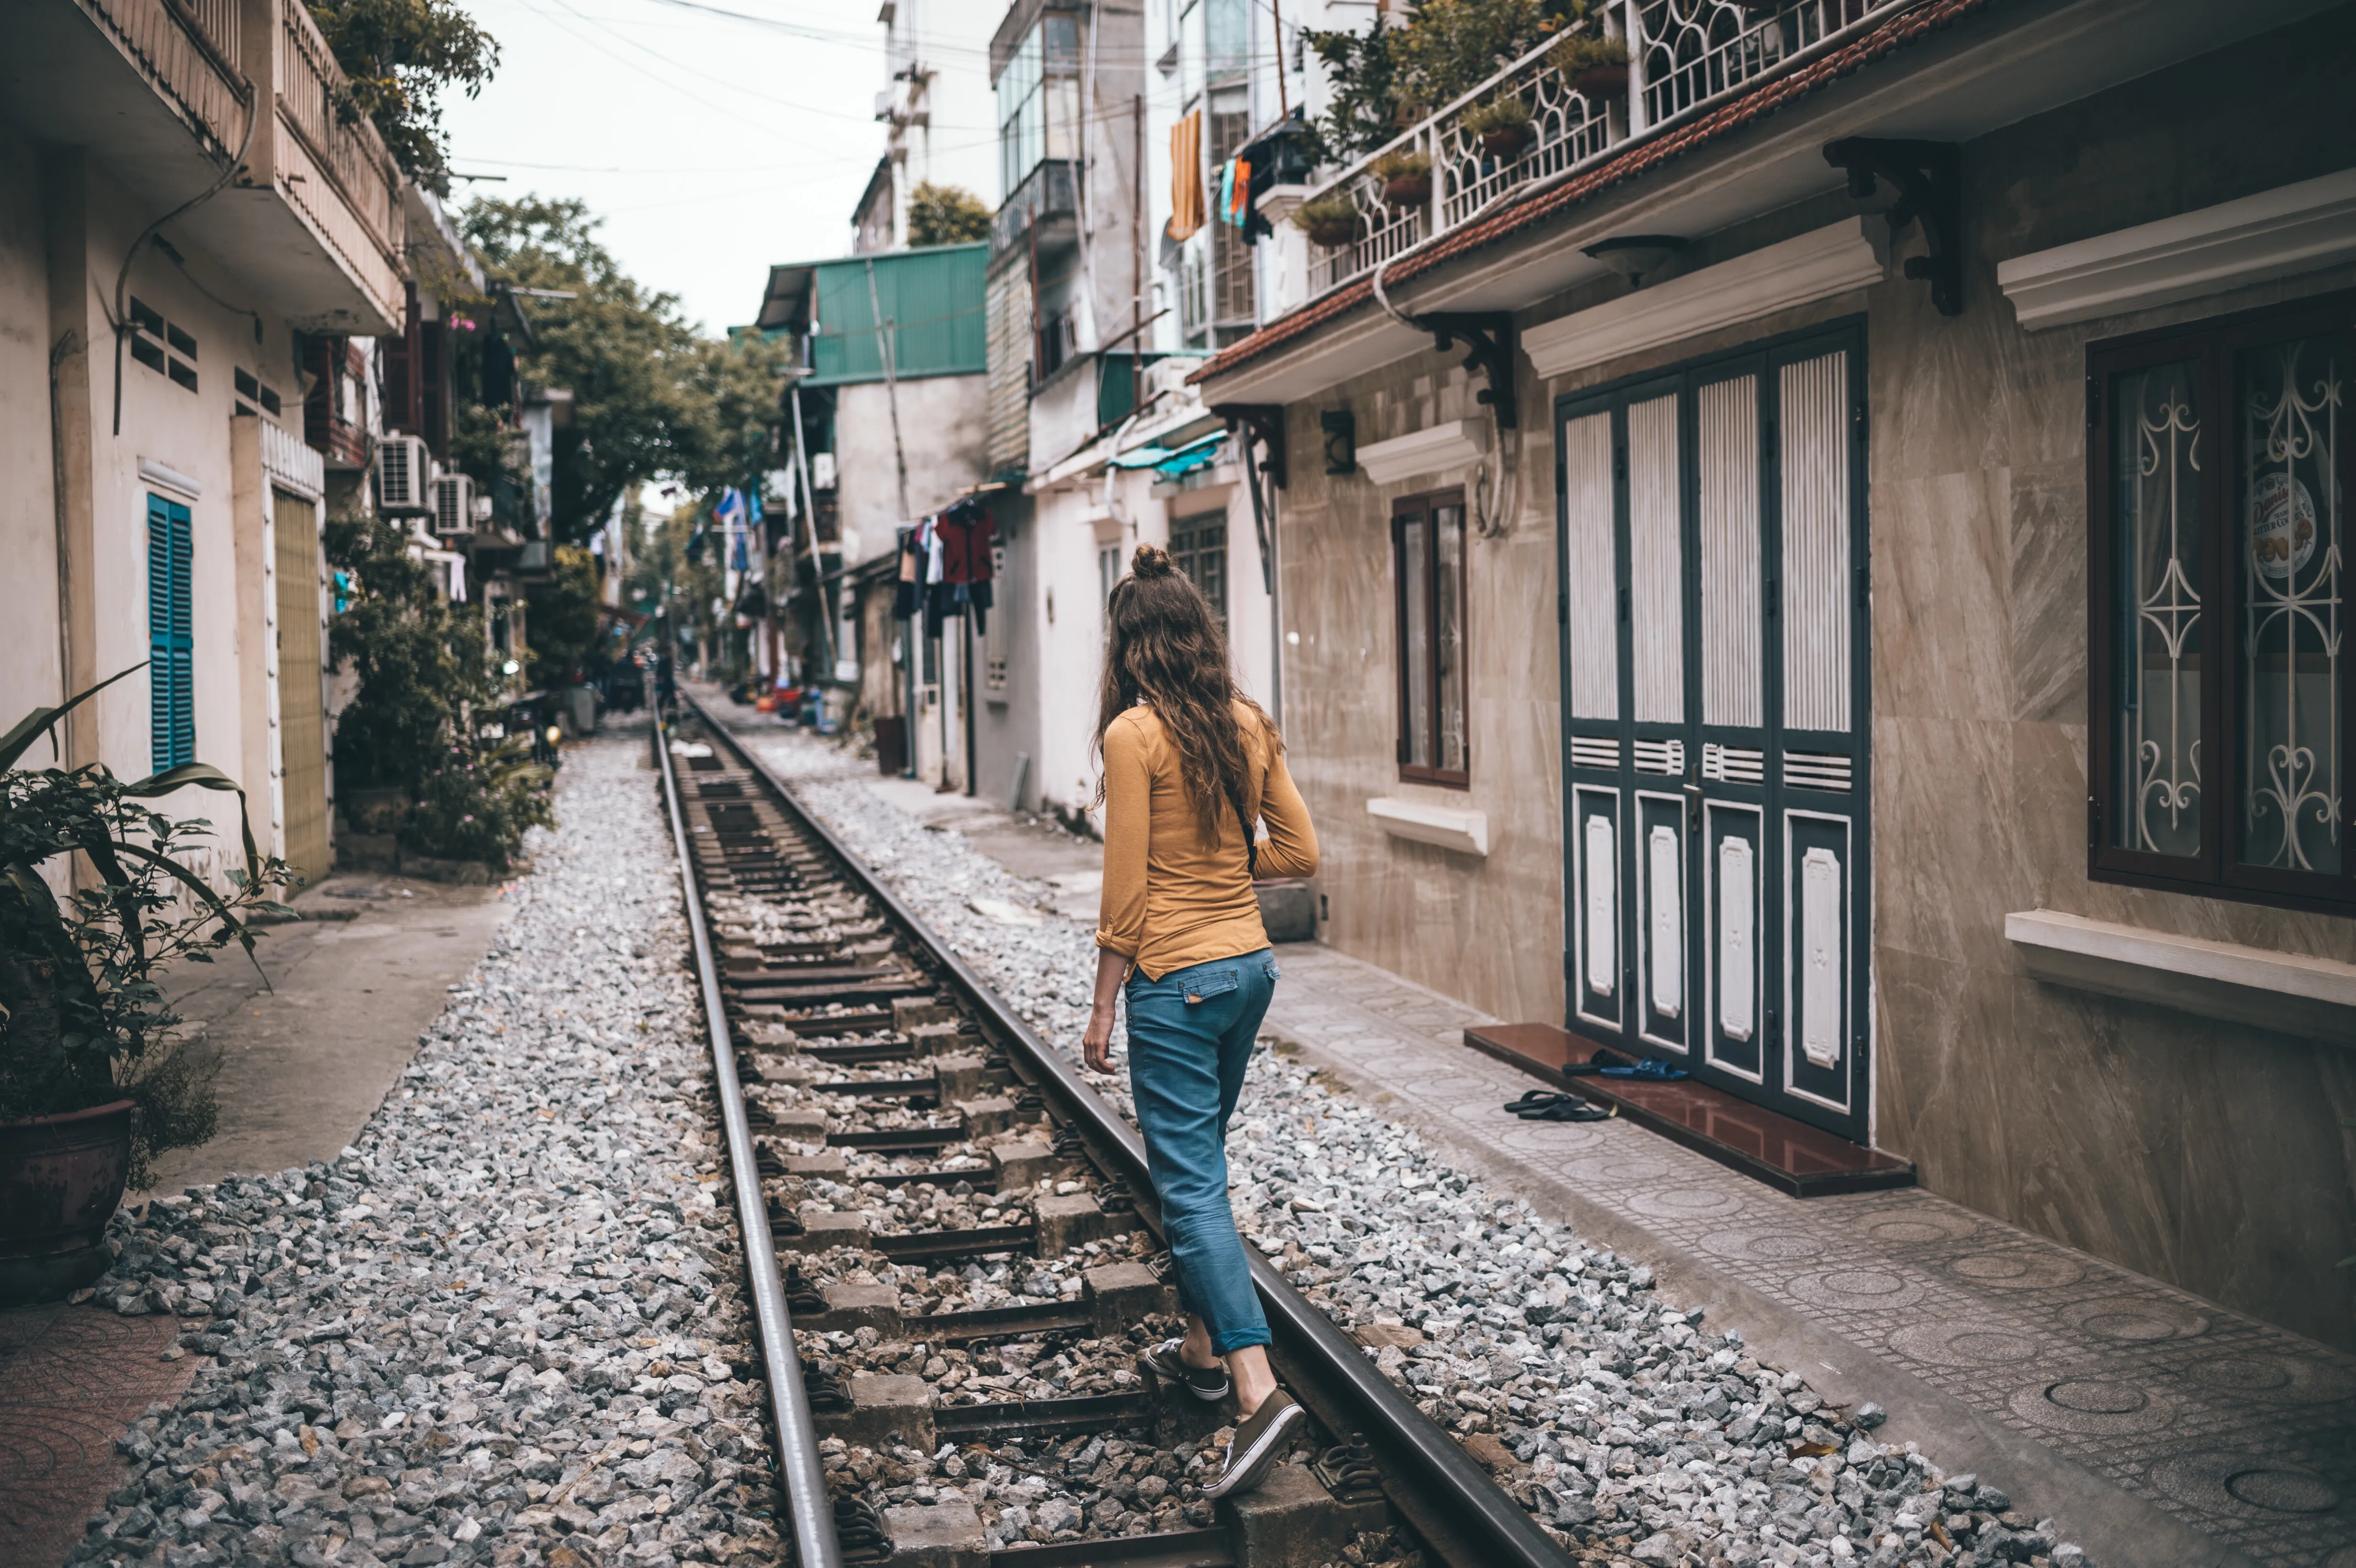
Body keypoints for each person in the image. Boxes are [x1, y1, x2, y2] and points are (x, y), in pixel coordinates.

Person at [1080, 544, 1319, 1499]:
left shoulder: (1134, 735)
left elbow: (1128, 892)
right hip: (1247, 971)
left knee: (1188, 1188)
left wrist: (1102, 1002)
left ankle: (1256, 1387)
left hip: (1174, 980)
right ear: (1199, 633)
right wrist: (1223, 871)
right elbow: (1299, 849)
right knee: (1198, 1169)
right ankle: (1198, 1344)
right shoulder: (1247, 719)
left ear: (1131, 647)